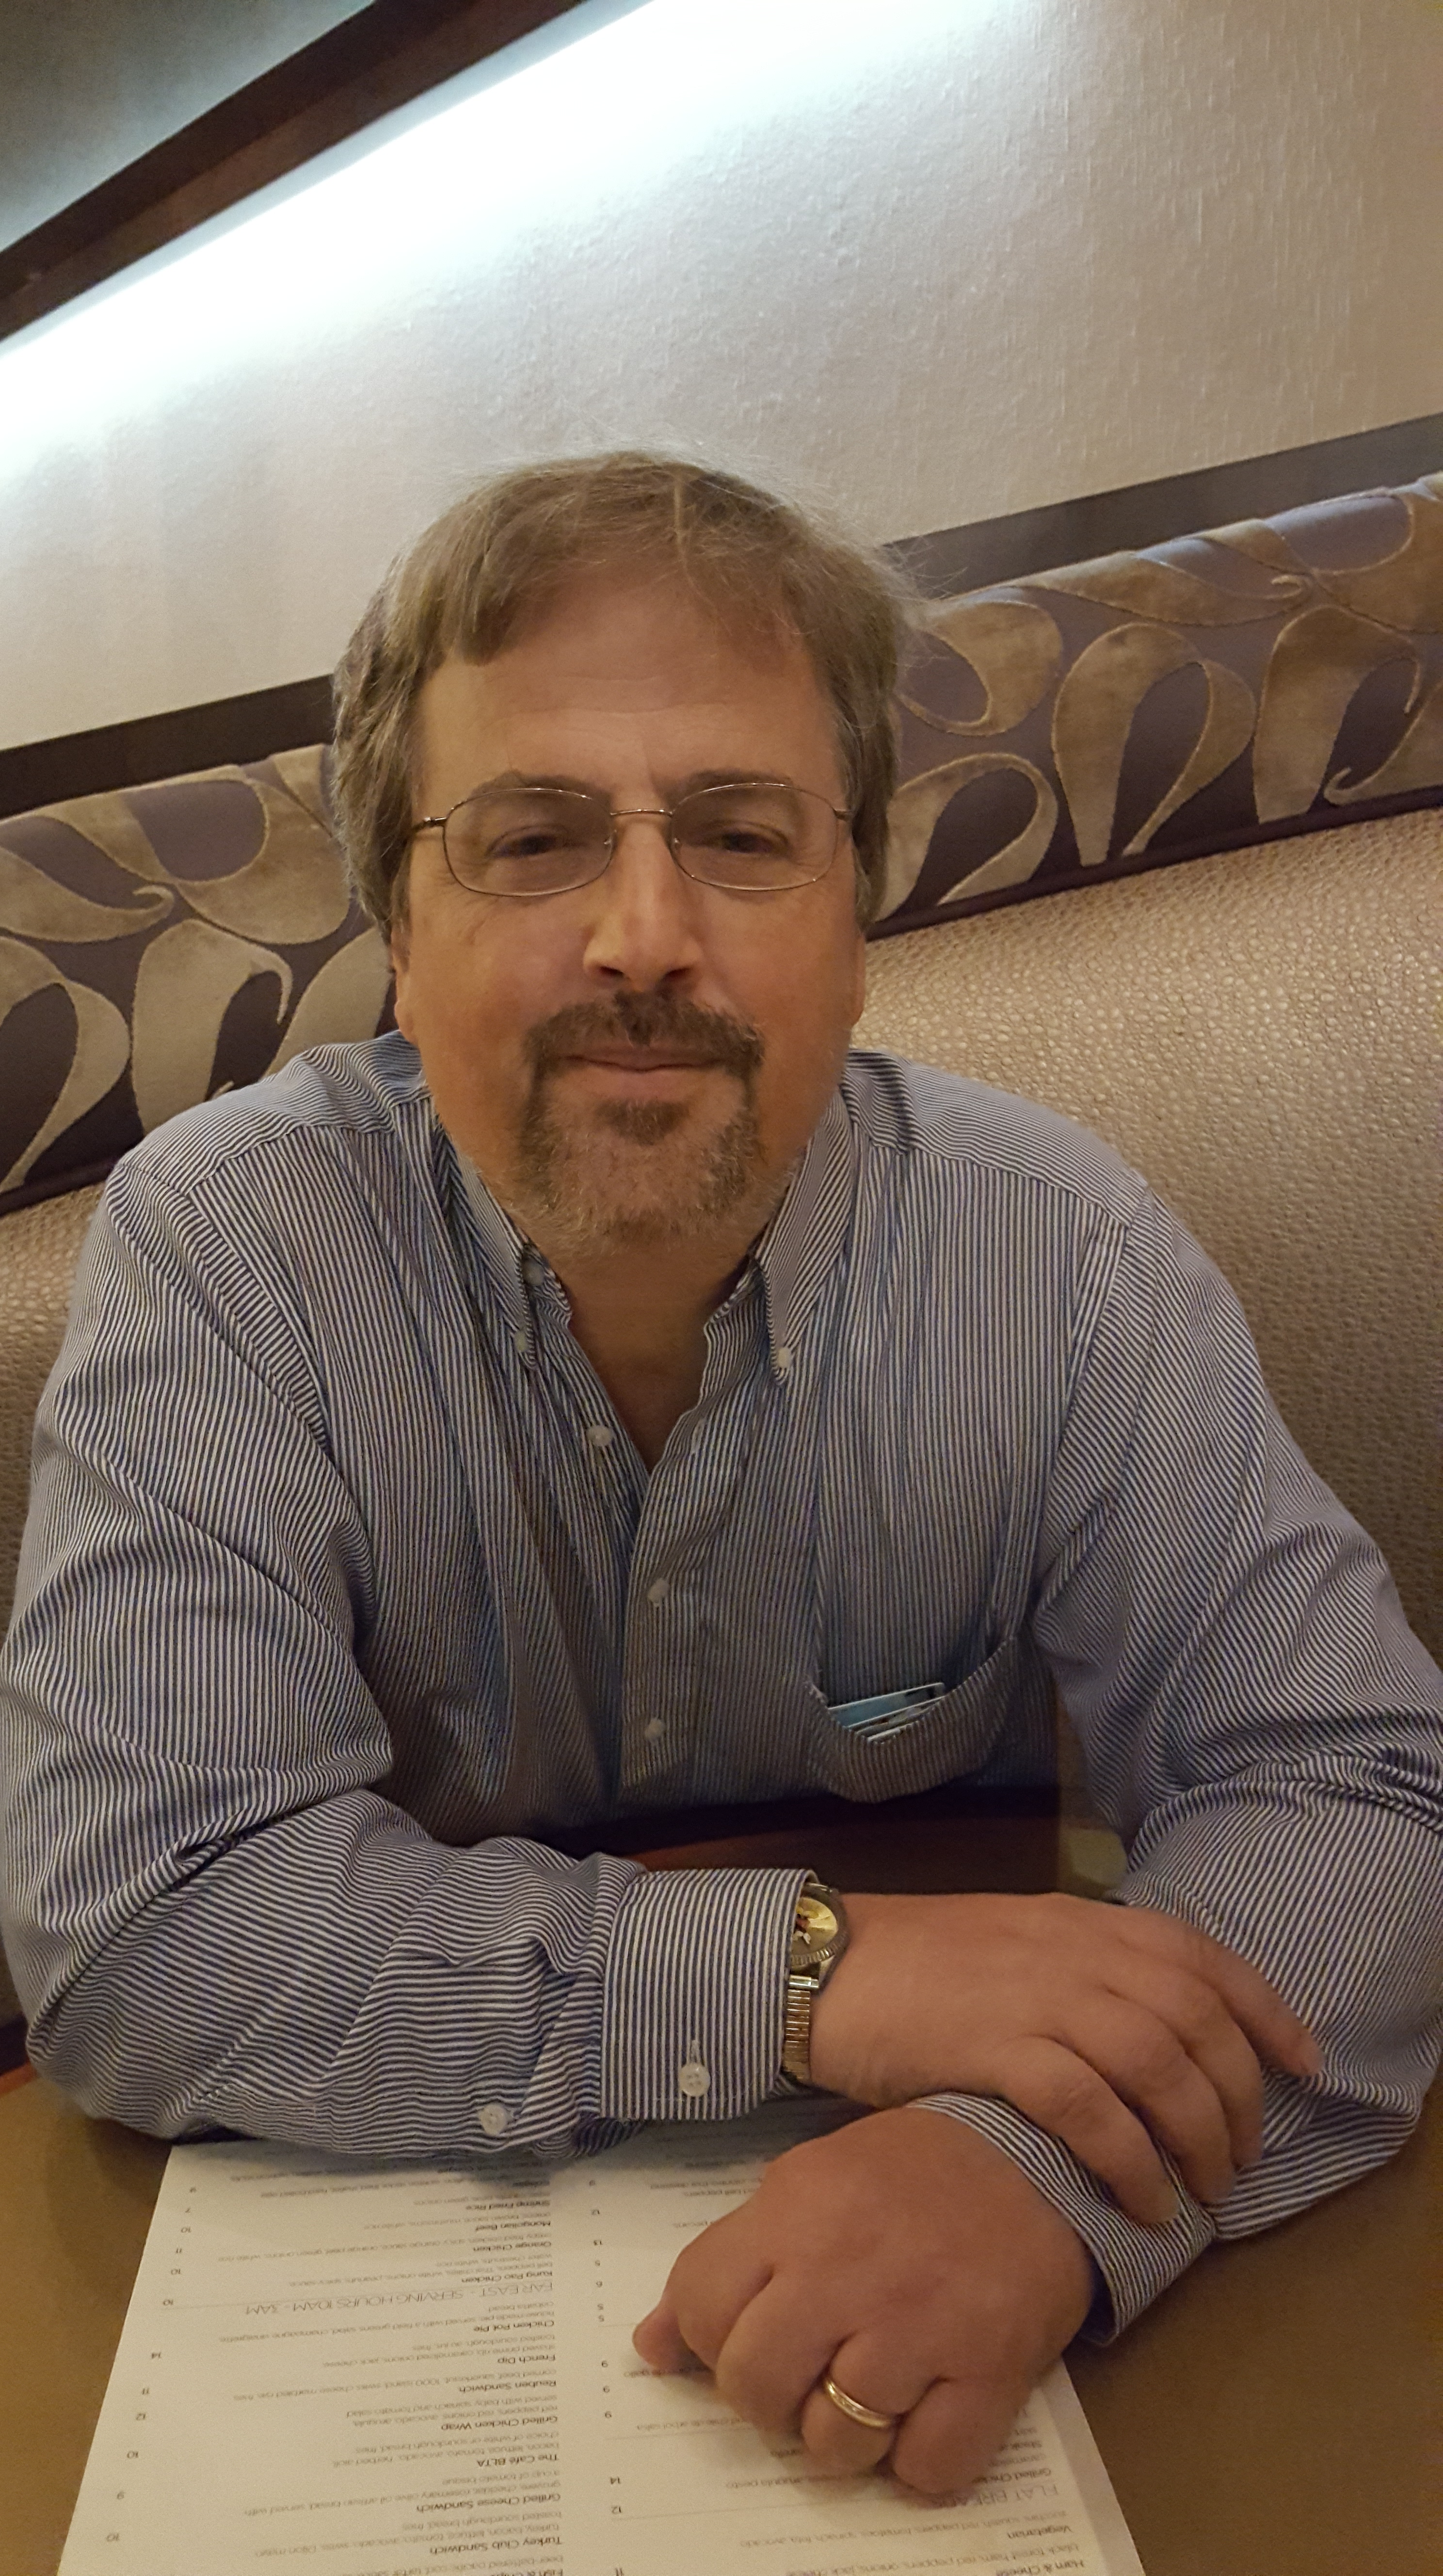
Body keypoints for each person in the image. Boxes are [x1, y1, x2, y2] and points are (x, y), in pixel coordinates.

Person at [1, 453, 1440, 2502]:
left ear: (858, 920)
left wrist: (1036, 2180)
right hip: (367, 2332)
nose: (644, 934)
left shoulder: (1062, 1260)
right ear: (400, 930)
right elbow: (152, 1928)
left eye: (745, 835)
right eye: (532, 838)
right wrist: (811, 1974)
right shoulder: (226, 1257)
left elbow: (1359, 1793)